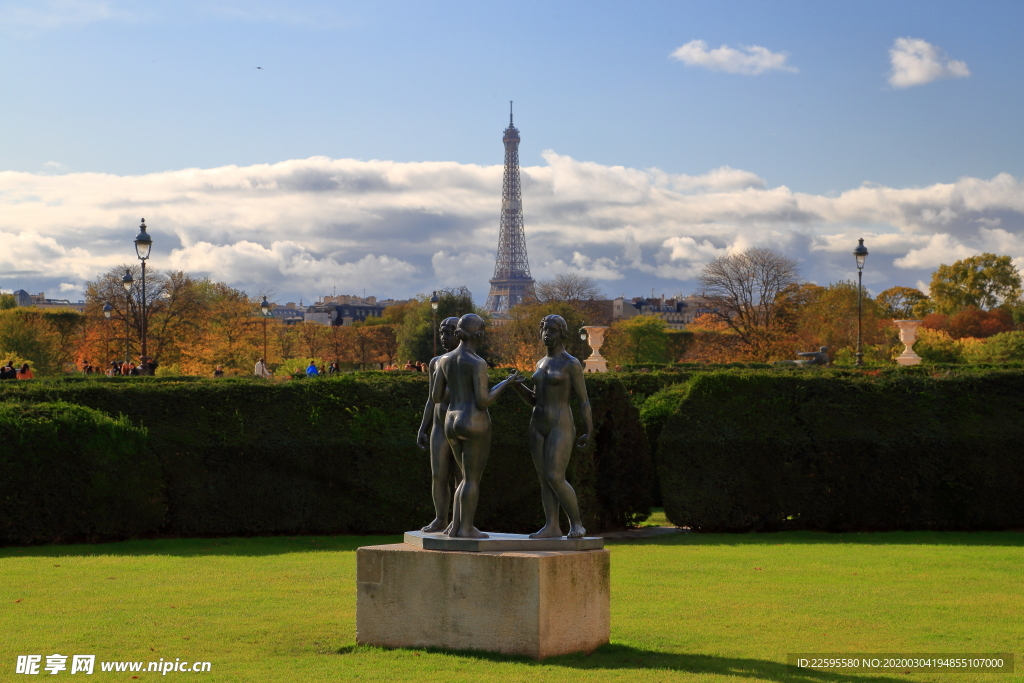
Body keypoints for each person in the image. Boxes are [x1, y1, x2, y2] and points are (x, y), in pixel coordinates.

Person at [431, 314, 522, 538]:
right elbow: (484, 401)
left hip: (450, 421)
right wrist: (506, 382)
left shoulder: (444, 360)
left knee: (462, 477)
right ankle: (468, 528)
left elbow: (436, 396)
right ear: (479, 334)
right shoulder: (477, 362)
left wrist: (457, 386)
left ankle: (455, 526)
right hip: (473, 421)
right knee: (470, 478)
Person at [511, 314, 594, 539]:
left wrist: (588, 428)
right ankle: (552, 526)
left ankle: (576, 523)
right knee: (543, 478)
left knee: (555, 475)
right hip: (537, 423)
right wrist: (518, 387)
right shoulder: (540, 363)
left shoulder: (571, 363)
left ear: (562, 334)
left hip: (561, 424)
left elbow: (583, 400)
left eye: (553, 330)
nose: (547, 334)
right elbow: (535, 400)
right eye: (544, 330)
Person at [416, 317, 460, 533]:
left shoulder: (468, 360)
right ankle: (441, 518)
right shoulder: (435, 362)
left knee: (461, 477)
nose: (444, 337)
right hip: (439, 424)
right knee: (438, 475)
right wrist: (423, 426)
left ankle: (459, 520)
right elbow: (432, 399)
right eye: (442, 333)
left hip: (460, 425)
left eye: (449, 332)